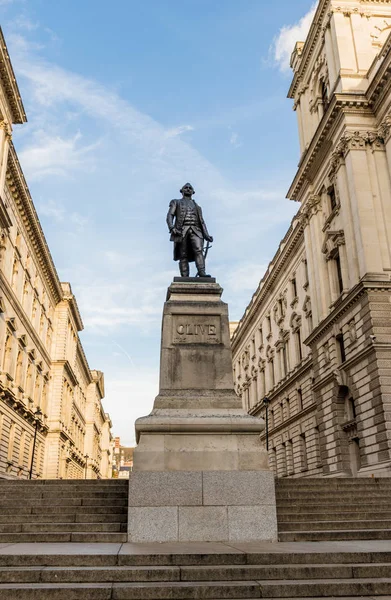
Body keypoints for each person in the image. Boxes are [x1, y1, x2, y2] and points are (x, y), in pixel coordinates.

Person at [167, 183, 213, 277]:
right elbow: (170, 215)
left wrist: (206, 235)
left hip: (196, 230)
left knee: (199, 250)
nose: (188, 189)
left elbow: (202, 222)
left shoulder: (198, 207)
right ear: (182, 191)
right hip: (181, 231)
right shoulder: (176, 202)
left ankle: (201, 272)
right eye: (186, 188)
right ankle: (184, 276)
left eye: (190, 188)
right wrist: (172, 227)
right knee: (183, 254)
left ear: (193, 192)